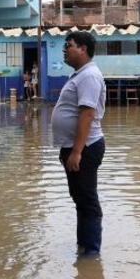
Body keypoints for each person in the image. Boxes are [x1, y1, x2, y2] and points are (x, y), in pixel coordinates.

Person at [51, 31, 106, 257]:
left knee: (87, 200)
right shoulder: (79, 75)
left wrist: (76, 152)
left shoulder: (89, 76)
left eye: (69, 45)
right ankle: (83, 247)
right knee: (80, 199)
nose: (65, 49)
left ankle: (91, 254)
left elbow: (87, 114)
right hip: (75, 148)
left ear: (83, 49)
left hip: (85, 148)